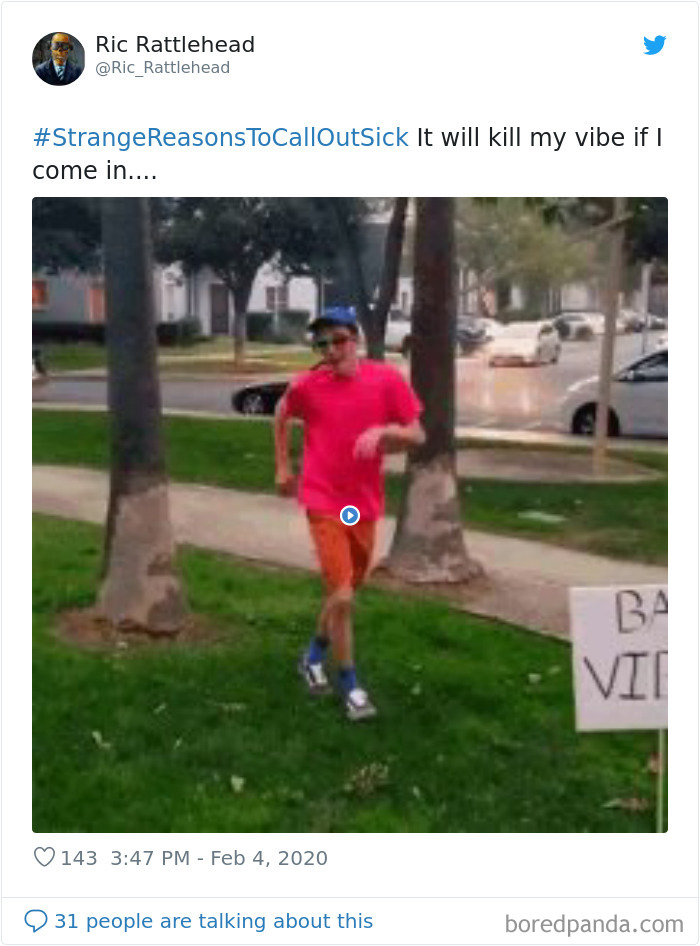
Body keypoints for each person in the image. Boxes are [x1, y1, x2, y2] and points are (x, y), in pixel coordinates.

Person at [274, 307, 425, 721]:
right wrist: (284, 466)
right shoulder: (308, 386)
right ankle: (351, 686)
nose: (330, 350)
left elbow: (417, 434)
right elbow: (282, 413)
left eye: (338, 340)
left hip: (357, 509)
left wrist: (383, 432)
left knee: (348, 588)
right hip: (323, 502)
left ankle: (311, 655)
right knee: (341, 594)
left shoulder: (386, 381)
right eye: (321, 344)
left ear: (355, 339)